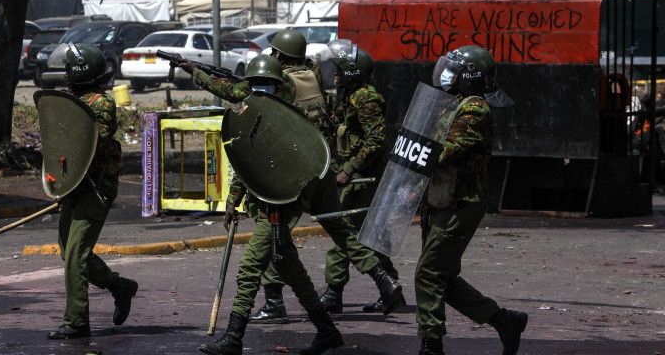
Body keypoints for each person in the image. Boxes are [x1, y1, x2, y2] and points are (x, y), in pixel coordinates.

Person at [176, 30, 403, 325]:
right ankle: (382, 276)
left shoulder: (272, 89)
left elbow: (242, 118)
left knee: (271, 232)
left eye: (274, 53)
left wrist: (194, 71)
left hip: (290, 173)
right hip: (320, 163)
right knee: (340, 230)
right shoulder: (311, 73)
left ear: (279, 56)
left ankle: (273, 302)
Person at [197, 55, 343, 355]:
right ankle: (327, 332)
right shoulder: (250, 117)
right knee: (292, 272)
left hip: (280, 205)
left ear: (281, 87)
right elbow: (247, 163)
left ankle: (234, 338)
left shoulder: (289, 121)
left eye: (269, 85)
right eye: (258, 85)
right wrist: (233, 200)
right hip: (262, 202)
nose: (263, 90)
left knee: (250, 269)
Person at [416, 45, 526, 355]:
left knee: (429, 273)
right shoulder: (452, 104)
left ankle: (431, 345)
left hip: (462, 198)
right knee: (443, 276)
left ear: (470, 78)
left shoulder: (474, 108)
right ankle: (504, 321)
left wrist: (413, 149)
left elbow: (444, 153)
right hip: (442, 196)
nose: (446, 74)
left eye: (454, 70)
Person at [45, 43, 138, 339]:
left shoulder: (101, 103)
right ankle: (119, 286)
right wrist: (59, 184)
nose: (66, 76)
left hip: (95, 188)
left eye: (70, 71)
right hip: (74, 188)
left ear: (81, 72)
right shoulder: (74, 100)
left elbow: (89, 143)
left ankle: (76, 322)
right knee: (69, 251)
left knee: (75, 254)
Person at [318, 41, 405, 314]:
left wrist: (349, 169)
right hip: (358, 176)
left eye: (340, 70)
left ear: (353, 72)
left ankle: (336, 292)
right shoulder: (350, 96)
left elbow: (376, 139)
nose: (335, 74)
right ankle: (389, 288)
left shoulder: (366, 97)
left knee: (344, 230)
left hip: (367, 178)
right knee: (367, 233)